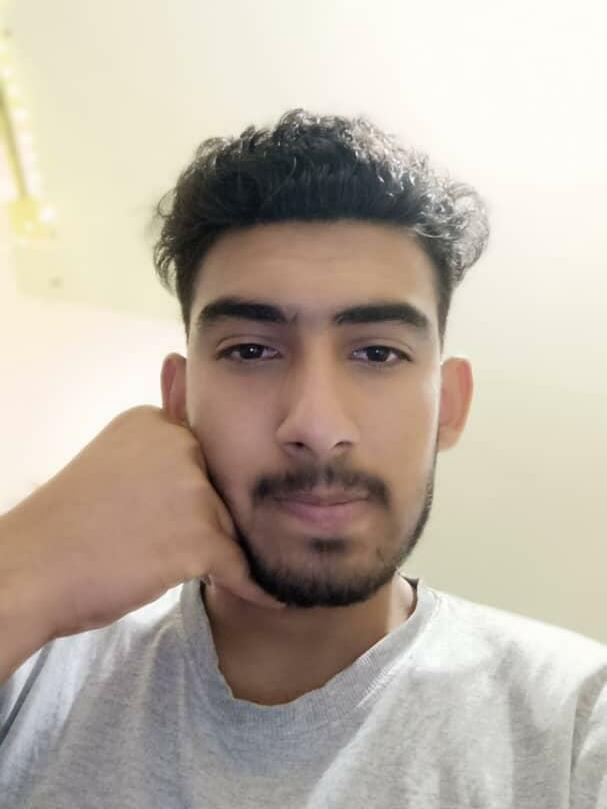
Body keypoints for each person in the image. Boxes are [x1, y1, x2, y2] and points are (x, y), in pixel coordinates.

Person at [0, 109, 604, 808]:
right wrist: (20, 568)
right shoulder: (31, 669)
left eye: (377, 353)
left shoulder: (576, 723)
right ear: (179, 400)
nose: (316, 426)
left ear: (450, 405)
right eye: (251, 350)